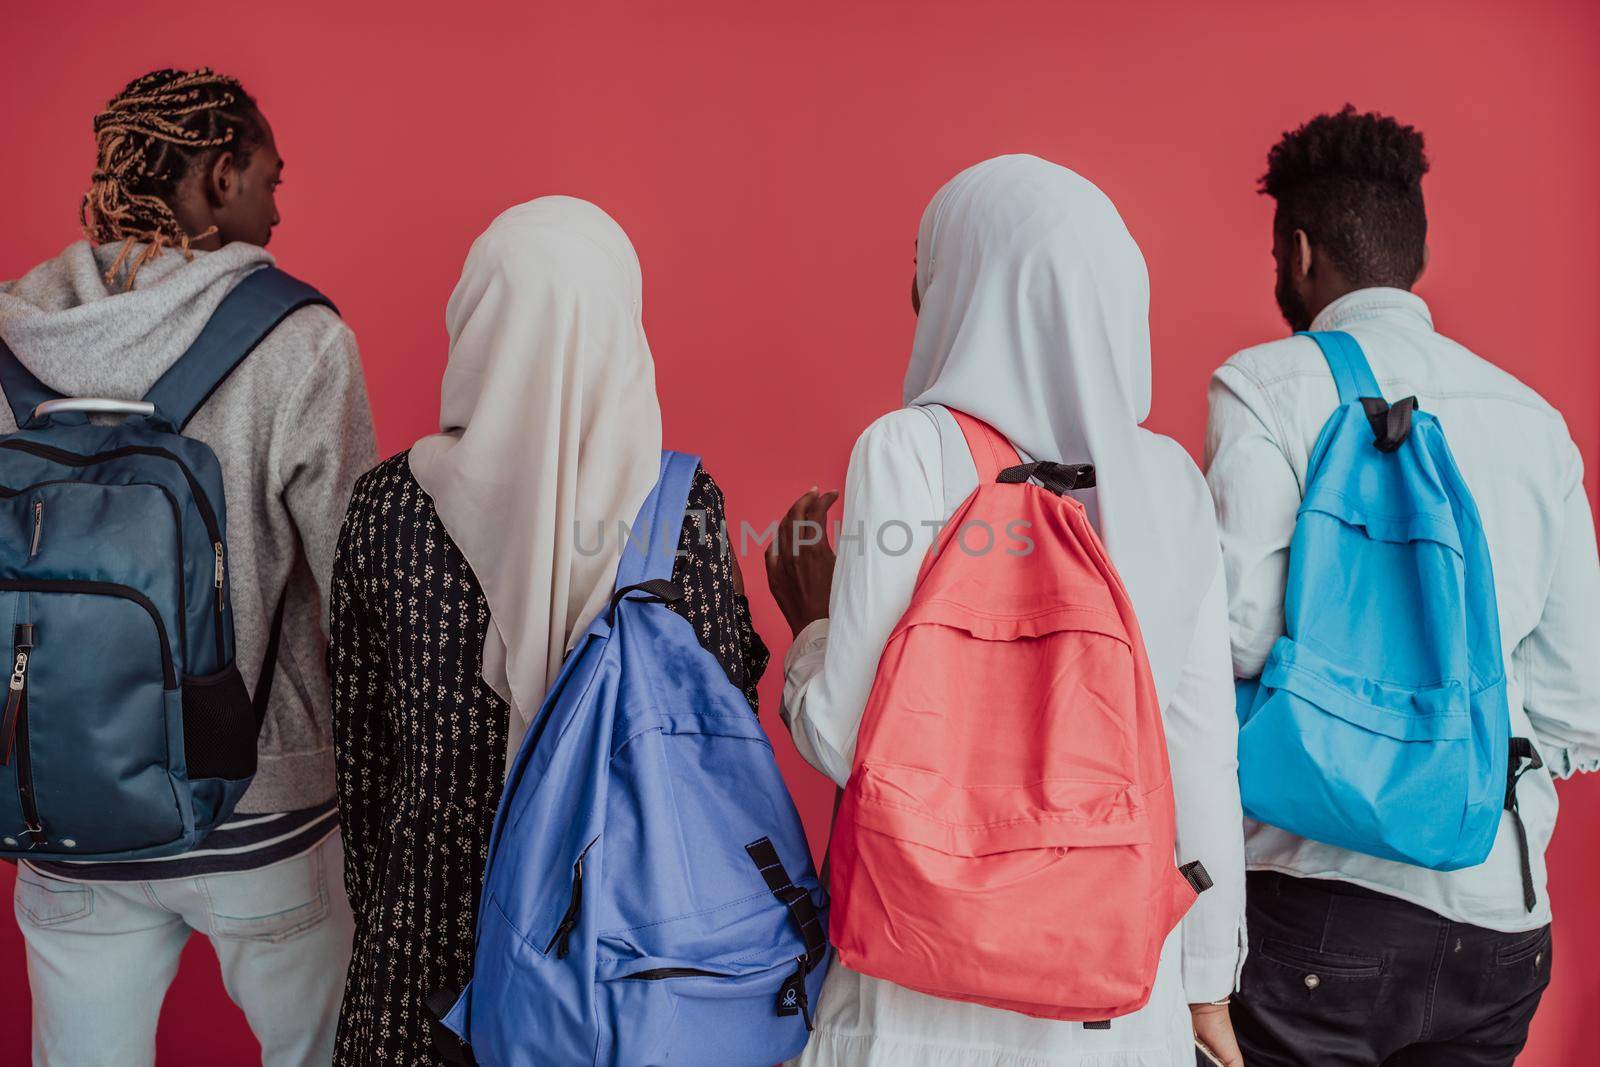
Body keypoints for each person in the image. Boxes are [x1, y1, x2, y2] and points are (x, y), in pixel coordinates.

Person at [766, 154, 1247, 1067]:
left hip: (919, 1003)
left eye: (928, 261)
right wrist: (1206, 979)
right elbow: (1198, 755)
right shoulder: (1173, 485)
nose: (915, 287)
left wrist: (810, 623)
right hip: (1118, 1010)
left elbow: (851, 747)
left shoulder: (908, 452)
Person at [329, 196, 769, 1066]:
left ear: (477, 317)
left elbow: (364, 749)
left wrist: (387, 916)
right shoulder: (678, 511)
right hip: (624, 951)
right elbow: (722, 727)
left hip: (428, 938)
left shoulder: (388, 505)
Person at [1206, 105, 1600, 1066]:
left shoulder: (1267, 384)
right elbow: (1580, 700)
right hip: (1501, 921)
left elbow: (1239, 631)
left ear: (1299, 253)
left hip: (1319, 907)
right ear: (1414, 250)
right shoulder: (1534, 419)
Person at [0, 68, 374, 1065]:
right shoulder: (299, 338)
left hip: (63, 805)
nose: (277, 206)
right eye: (267, 177)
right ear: (216, 178)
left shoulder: (10, 331)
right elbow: (359, 586)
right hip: (263, 809)